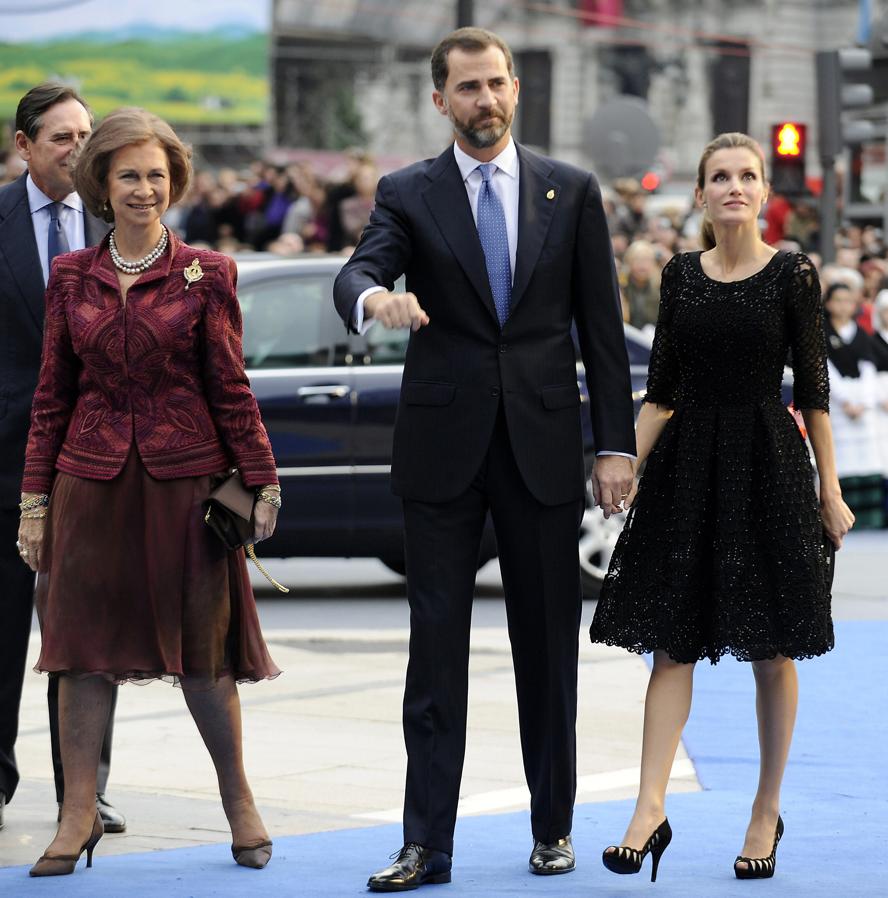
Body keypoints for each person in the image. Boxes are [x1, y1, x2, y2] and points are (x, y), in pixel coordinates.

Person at [333, 27, 635, 891]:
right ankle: (425, 844)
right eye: (467, 87)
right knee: (435, 659)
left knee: (549, 654)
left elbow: (602, 336)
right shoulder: (407, 192)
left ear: (515, 90)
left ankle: (553, 829)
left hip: (542, 452)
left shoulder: (568, 191)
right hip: (440, 453)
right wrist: (378, 301)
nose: (486, 100)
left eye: (497, 83)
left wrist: (613, 446)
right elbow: (356, 273)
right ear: (440, 100)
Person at [17, 107, 281, 876]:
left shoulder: (208, 273)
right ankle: (75, 816)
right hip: (89, 487)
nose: (144, 190)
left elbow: (231, 388)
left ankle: (239, 802)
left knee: (204, 657)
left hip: (186, 489)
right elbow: (50, 397)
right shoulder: (71, 277)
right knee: (81, 655)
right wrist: (36, 504)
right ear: (101, 182)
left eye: (156, 176)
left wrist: (260, 480)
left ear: (175, 183)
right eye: (129, 175)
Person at [589, 132, 855, 882]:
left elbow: (814, 392)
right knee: (673, 642)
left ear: (764, 191)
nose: (733, 185)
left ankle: (765, 811)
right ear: (700, 194)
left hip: (768, 464)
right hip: (688, 469)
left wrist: (828, 490)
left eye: (747, 175)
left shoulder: (793, 274)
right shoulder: (678, 275)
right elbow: (662, 390)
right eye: (719, 176)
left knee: (772, 649)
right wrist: (623, 465)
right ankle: (649, 806)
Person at [0, 82, 124, 834]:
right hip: (6, 458)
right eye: (62, 138)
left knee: (87, 630)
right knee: (4, 622)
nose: (79, 149)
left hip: (98, 459)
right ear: (24, 146)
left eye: (87, 135)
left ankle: (84, 790)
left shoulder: (116, 222)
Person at [822, 282, 885, 528]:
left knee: (866, 460)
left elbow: (868, 366)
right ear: (828, 304)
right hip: (838, 403)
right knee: (843, 460)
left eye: (848, 301)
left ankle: (872, 519)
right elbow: (824, 368)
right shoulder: (822, 333)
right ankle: (845, 520)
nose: (843, 306)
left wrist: (864, 401)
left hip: (862, 403)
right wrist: (845, 400)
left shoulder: (860, 334)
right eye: (838, 300)